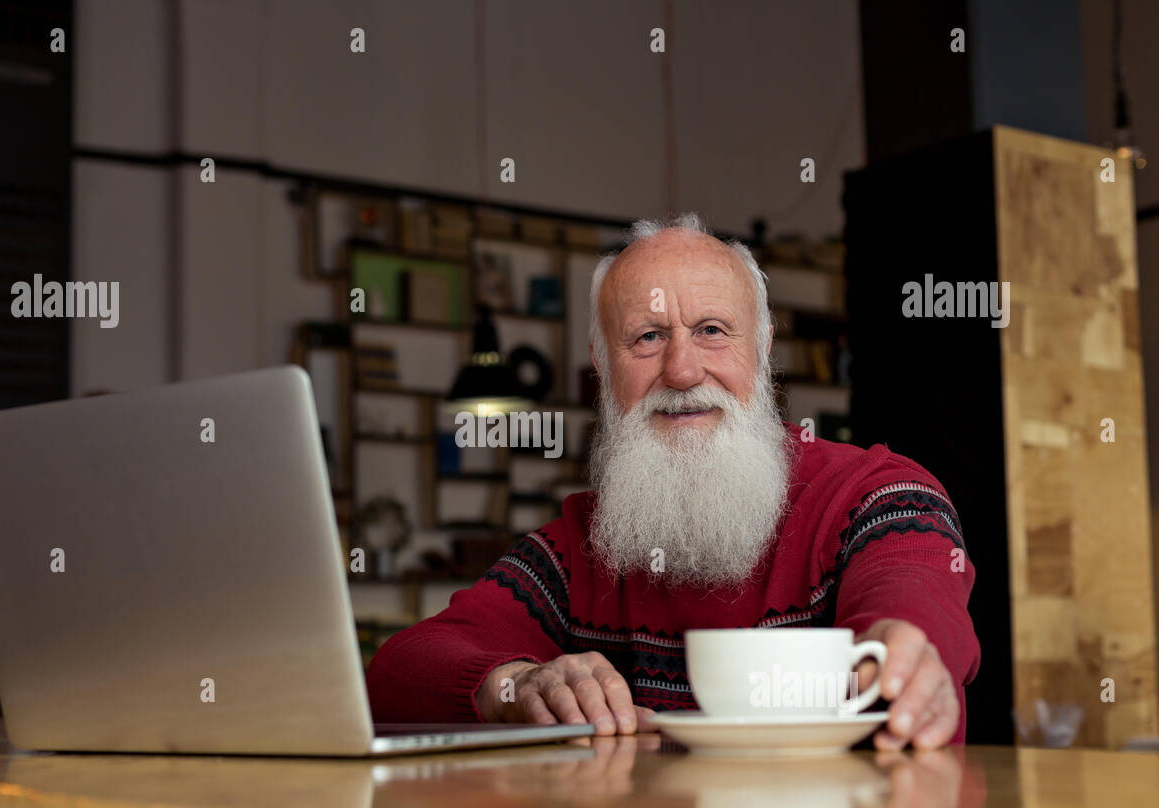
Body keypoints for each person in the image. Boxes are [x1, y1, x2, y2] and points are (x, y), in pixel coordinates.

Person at [366, 213, 980, 749]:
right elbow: (395, 674)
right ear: (603, 370)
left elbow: (912, 603)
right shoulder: (578, 547)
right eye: (648, 337)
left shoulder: (879, 496)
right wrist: (518, 684)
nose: (682, 371)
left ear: (762, 350)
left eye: (712, 330)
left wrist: (905, 649)